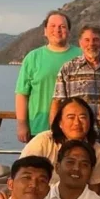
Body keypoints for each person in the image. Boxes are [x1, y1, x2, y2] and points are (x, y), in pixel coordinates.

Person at [15, 10, 81, 142]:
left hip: (74, 128)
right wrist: (22, 124)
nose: (57, 30)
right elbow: (22, 93)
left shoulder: (80, 55)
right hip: (39, 128)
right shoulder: (33, 57)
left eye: (62, 27)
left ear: (69, 31)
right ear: (45, 31)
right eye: (52, 26)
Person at [21, 97, 100, 192]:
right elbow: (22, 173)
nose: (77, 123)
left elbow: (95, 190)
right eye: (71, 117)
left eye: (82, 117)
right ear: (60, 122)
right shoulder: (43, 141)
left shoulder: (98, 151)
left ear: (90, 122)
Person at [52, 25, 100, 125]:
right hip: (77, 131)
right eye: (87, 40)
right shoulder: (68, 69)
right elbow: (57, 103)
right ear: (80, 43)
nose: (91, 44)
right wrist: (55, 132)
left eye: (96, 39)